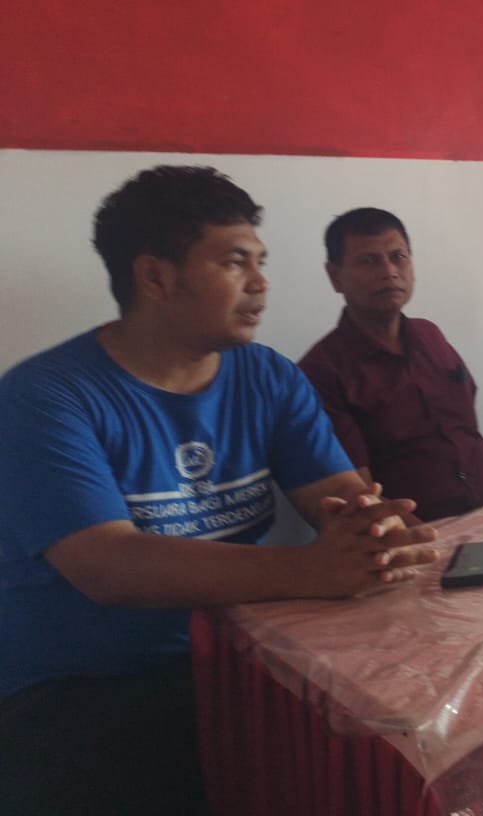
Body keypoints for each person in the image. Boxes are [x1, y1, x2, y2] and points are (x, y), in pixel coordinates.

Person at [0, 167, 438, 816]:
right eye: (235, 262)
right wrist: (312, 569)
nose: (260, 283)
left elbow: (341, 499)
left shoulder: (268, 377)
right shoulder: (46, 397)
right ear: (155, 277)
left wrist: (379, 534)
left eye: (260, 262)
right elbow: (107, 566)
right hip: (84, 691)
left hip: (244, 655)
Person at [299, 208, 483, 522]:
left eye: (398, 257)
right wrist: (424, 539)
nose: (389, 271)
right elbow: (358, 492)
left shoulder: (431, 336)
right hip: (414, 534)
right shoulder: (322, 371)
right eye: (369, 261)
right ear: (335, 276)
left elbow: (466, 428)